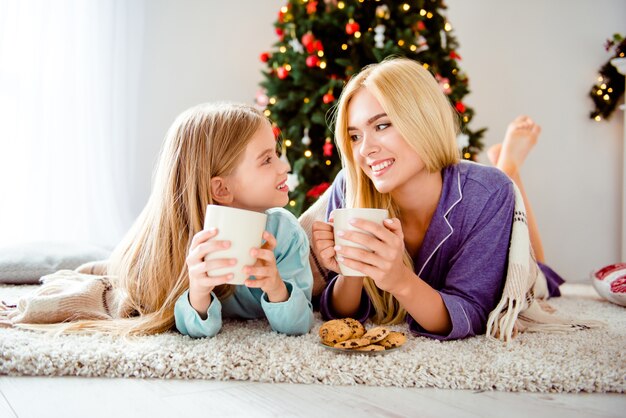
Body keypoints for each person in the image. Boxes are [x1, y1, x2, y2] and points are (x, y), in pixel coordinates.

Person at [311, 58, 563, 341]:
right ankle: (507, 166)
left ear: (423, 120)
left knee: (536, 268)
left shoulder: (488, 193)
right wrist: (350, 270)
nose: (365, 150)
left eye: (381, 126)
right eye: (354, 136)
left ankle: (510, 167)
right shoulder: (350, 187)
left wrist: (399, 280)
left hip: (501, 227)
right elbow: (339, 314)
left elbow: (474, 312)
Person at [71, 103, 314, 337]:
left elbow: (300, 324)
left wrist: (276, 288)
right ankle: (98, 265)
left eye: (277, 154)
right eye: (267, 159)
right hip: (138, 266)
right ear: (221, 189)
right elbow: (191, 329)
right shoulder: (175, 241)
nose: (285, 167)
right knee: (118, 272)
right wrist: (198, 292)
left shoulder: (285, 233)